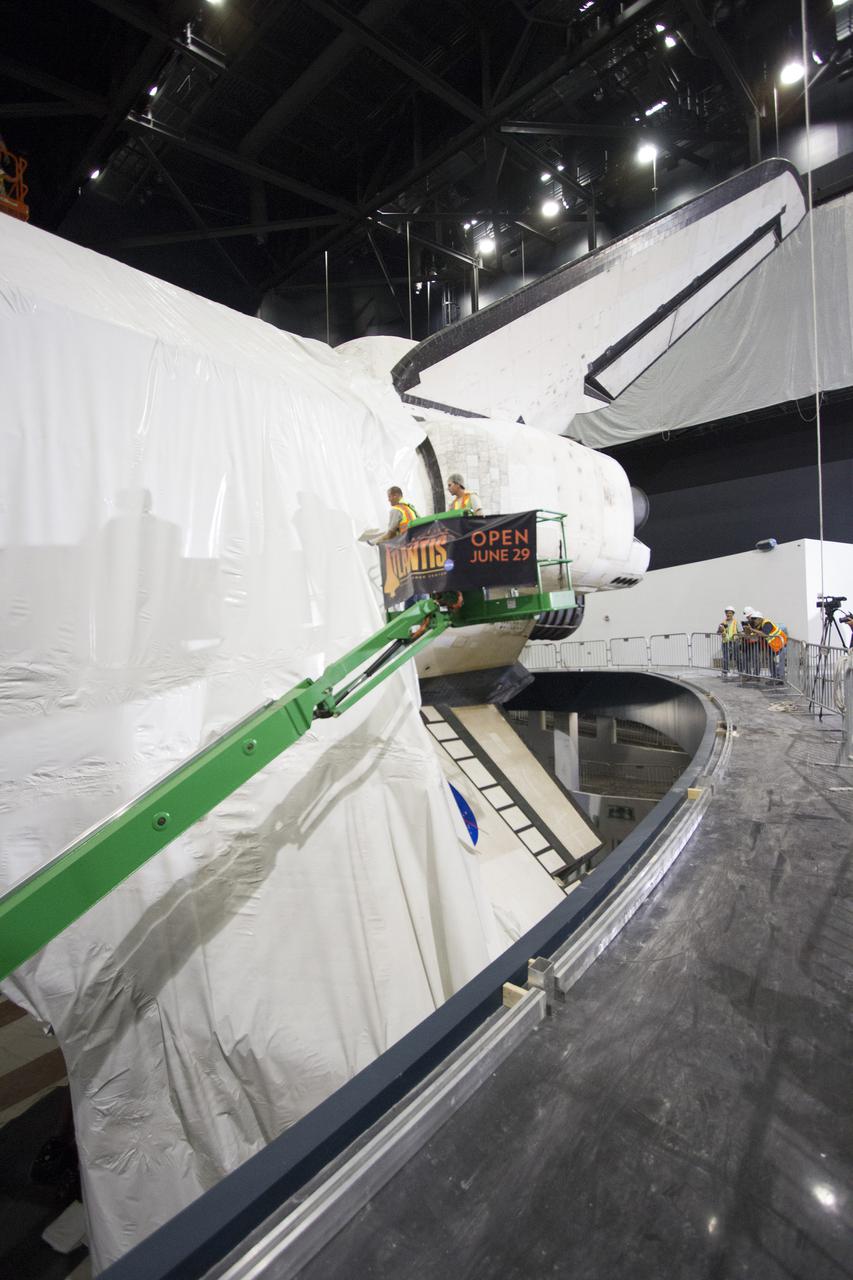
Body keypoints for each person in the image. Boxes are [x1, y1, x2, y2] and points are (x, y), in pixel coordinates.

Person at [742, 606, 787, 682]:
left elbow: (765, 634)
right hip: (774, 647)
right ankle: (774, 678)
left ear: (759, 619)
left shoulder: (767, 623)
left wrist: (752, 629)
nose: (753, 621)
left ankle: (779, 680)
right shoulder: (760, 625)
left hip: (780, 645)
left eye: (754, 619)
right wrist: (748, 631)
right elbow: (755, 634)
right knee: (771, 663)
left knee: (779, 664)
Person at [717, 604, 739, 677]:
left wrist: (738, 637)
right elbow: (718, 632)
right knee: (726, 658)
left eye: (730, 613)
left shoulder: (736, 622)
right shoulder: (723, 623)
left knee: (737, 657)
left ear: (733, 614)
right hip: (725, 642)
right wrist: (720, 631)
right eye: (727, 613)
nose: (728, 614)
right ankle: (725, 672)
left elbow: (741, 632)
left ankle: (740, 672)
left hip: (734, 642)